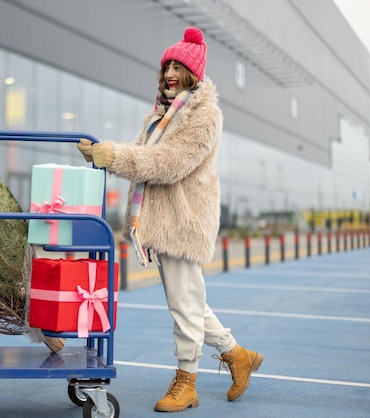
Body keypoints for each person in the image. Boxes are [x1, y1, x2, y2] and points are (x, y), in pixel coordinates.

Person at [77, 27, 263, 413]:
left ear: (194, 73)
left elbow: (169, 164)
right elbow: (141, 157)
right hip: (162, 223)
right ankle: (238, 355)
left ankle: (187, 381)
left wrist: (113, 156)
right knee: (190, 302)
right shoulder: (159, 115)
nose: (170, 74)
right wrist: (103, 155)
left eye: (178, 67)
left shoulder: (204, 116)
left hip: (185, 222)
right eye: (166, 67)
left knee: (185, 305)